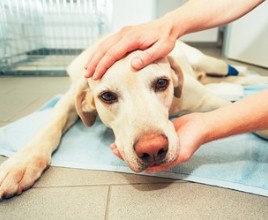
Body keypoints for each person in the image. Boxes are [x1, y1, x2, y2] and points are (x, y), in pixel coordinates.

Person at [85, 0, 268, 172]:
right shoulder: (88, 79)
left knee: (215, 66)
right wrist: (170, 25)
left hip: (185, 60)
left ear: (176, 79)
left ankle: (234, 70)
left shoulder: (177, 73)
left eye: (160, 84)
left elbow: (221, 106)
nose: (151, 146)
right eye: (109, 96)